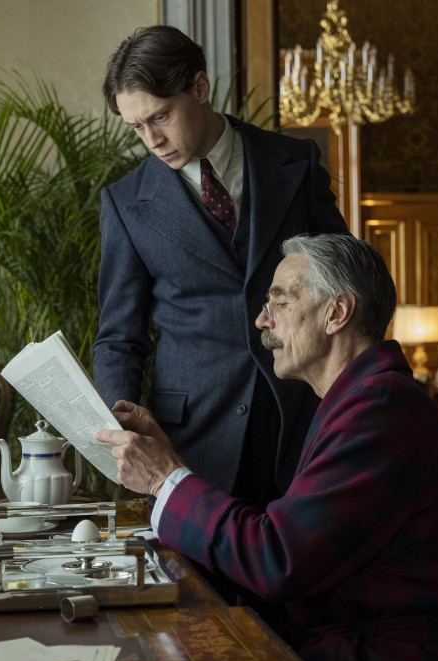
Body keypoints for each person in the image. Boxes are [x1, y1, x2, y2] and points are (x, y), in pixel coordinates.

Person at [96, 234, 438, 661]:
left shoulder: (380, 411)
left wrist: (164, 477)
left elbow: (277, 560)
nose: (262, 320)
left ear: (336, 313)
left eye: (279, 302)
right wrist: (165, 464)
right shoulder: (363, 399)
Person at [93, 25, 349, 511]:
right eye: (136, 127)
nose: (152, 139)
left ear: (200, 88)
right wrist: (122, 426)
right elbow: (118, 337)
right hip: (192, 438)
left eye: (160, 116)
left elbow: (346, 283)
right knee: (201, 583)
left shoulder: (294, 162)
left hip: (301, 415)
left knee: (299, 573)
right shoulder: (127, 204)